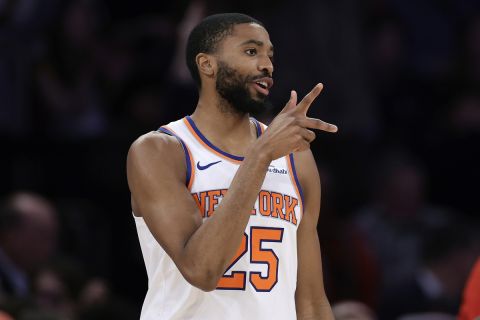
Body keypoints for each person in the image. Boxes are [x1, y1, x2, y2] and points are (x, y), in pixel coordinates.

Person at [127, 13, 337, 319]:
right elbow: (202, 270)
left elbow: (311, 300)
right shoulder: (160, 151)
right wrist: (259, 157)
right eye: (251, 52)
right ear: (207, 64)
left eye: (270, 55)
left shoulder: (296, 157)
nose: (267, 65)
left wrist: (264, 152)